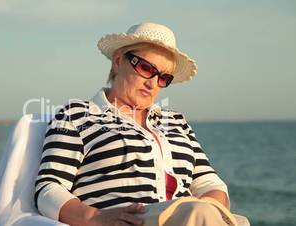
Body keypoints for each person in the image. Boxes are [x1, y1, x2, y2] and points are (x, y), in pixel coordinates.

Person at [34, 22, 231, 226]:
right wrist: (94, 217)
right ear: (118, 61)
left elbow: (209, 183)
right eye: (146, 68)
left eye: (163, 77)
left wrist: (208, 210)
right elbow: (49, 188)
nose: (152, 83)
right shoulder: (78, 115)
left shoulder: (175, 122)